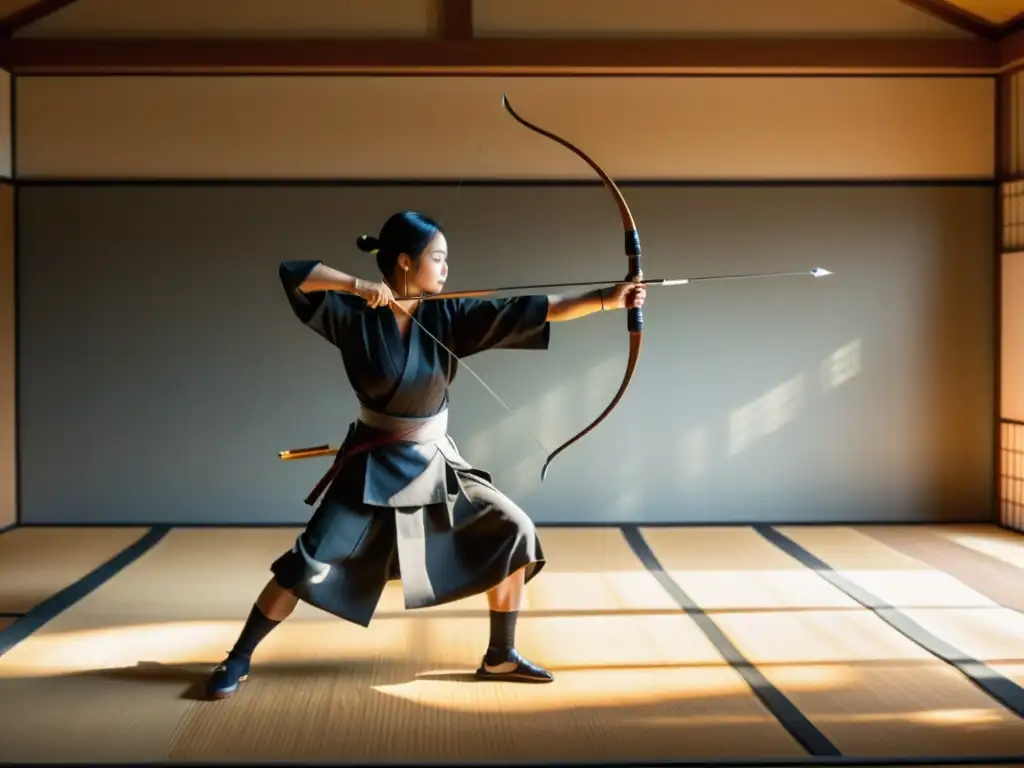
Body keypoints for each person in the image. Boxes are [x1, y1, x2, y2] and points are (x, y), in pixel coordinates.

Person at [205, 210, 647, 699]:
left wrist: (610, 299)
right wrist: (357, 286)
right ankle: (237, 658)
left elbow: (537, 308)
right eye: (438, 258)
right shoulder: (353, 318)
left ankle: (500, 655)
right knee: (305, 564)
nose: (446, 269)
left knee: (514, 531)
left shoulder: (449, 317)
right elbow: (295, 275)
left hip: (435, 464)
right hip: (369, 468)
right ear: (404, 262)